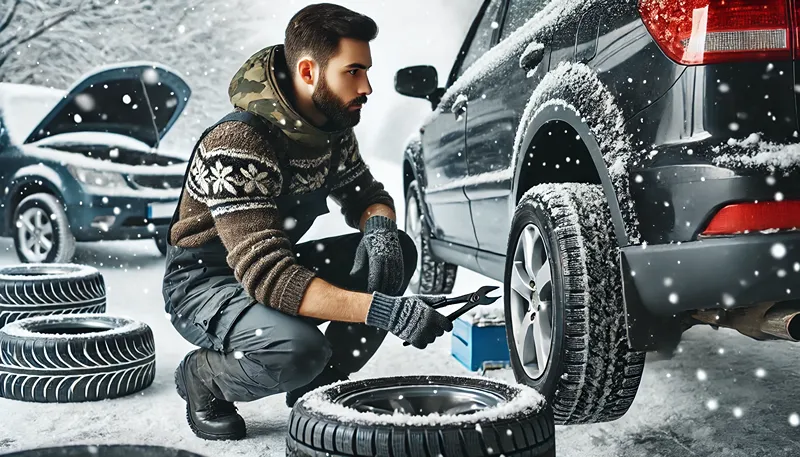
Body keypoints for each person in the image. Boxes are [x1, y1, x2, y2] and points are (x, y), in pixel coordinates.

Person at [161, 3, 453, 441]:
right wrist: (382, 310)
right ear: (309, 71)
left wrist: (378, 228)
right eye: (353, 71)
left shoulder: (330, 127)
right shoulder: (239, 142)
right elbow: (269, 277)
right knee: (297, 349)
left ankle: (316, 387)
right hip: (204, 283)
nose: (367, 86)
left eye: (366, 70)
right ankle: (204, 377)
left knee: (397, 250)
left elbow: (368, 196)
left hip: (267, 266)